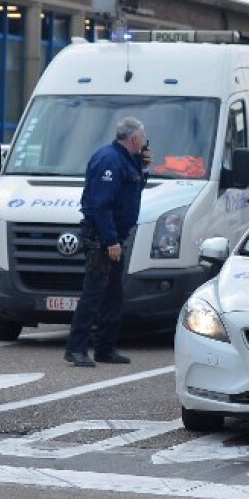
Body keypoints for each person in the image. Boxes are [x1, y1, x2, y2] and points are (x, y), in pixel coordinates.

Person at [64, 117, 152, 367]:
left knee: (113, 294)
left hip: (114, 237)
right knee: (93, 294)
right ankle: (76, 348)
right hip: (102, 238)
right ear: (134, 138)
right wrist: (110, 241)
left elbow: (128, 193)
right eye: (142, 138)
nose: (144, 142)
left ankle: (105, 348)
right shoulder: (110, 160)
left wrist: (141, 166)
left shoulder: (126, 160)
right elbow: (102, 205)